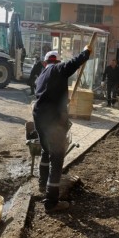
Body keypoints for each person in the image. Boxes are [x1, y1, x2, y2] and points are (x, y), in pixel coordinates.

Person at [33, 46, 91, 212]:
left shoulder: (41, 75)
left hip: (39, 117)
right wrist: (86, 51)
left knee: (45, 151)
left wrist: (63, 99)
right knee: (57, 159)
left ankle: (43, 184)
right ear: (57, 61)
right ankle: (51, 203)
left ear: (45, 63)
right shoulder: (58, 69)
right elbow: (75, 63)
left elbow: (50, 91)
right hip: (53, 120)